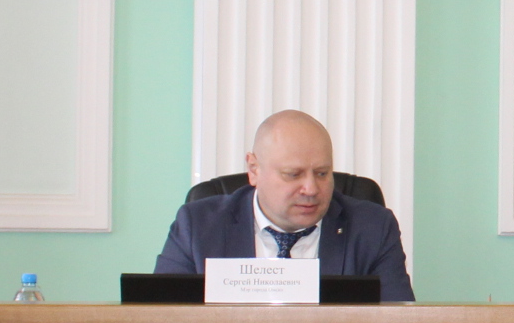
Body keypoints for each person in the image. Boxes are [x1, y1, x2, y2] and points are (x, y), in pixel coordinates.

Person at [153, 109, 414, 299]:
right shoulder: (197, 227)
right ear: (254, 169)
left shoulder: (373, 229)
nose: (311, 189)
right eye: (293, 174)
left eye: (322, 173)